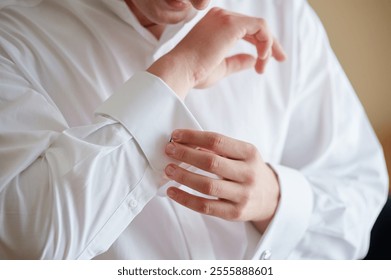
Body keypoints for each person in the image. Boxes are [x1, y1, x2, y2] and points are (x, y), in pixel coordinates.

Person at [0, 0, 388, 260]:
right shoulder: (13, 33)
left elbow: (358, 196)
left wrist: (276, 199)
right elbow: (34, 247)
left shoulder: (284, 12)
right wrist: (178, 72)